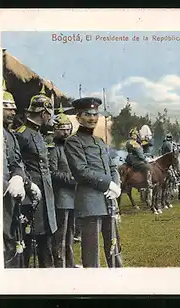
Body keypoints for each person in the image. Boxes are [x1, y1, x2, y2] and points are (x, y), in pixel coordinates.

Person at [64, 97, 123, 268]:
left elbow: (112, 167)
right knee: (91, 252)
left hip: (108, 200)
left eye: (95, 114)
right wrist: (107, 184)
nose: (92, 118)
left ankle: (118, 280)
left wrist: (116, 185)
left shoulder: (100, 142)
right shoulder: (73, 142)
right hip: (90, 203)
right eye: (87, 114)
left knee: (114, 246)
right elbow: (81, 171)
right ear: (78, 117)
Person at [14, 85, 58, 268]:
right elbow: (16, 165)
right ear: (44, 113)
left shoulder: (39, 135)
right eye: (50, 115)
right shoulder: (22, 135)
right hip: (31, 199)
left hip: (45, 199)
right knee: (27, 247)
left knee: (45, 245)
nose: (51, 119)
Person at [2, 80, 42, 268]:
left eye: (13, 108)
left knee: (13, 243)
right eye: (7, 107)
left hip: (12, 200)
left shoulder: (9, 135)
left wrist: (23, 180)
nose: (12, 112)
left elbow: (16, 162)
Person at [49, 108, 77, 268]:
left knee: (71, 235)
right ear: (56, 131)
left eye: (68, 129)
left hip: (74, 198)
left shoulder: (72, 150)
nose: (66, 133)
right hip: (61, 198)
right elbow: (52, 173)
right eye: (62, 130)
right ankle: (60, 266)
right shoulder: (54, 151)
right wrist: (71, 178)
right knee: (60, 236)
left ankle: (71, 264)